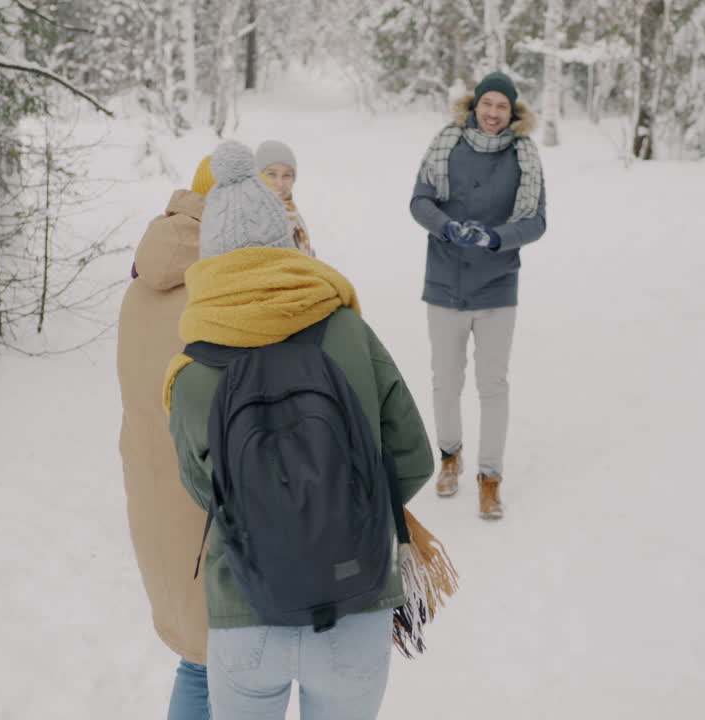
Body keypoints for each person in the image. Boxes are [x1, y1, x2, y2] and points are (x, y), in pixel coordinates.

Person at [164, 140, 433, 720]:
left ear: (209, 256)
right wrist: (338, 510)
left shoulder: (189, 367)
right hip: (357, 604)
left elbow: (203, 488)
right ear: (284, 239)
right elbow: (411, 457)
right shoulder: (347, 331)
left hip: (245, 611)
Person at [408, 71, 548, 521]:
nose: (492, 113)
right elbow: (419, 200)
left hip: (497, 285)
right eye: (486, 104)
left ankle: (491, 479)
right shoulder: (447, 143)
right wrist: (445, 227)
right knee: (446, 380)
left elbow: (537, 220)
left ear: (513, 113)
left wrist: (495, 238)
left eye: (501, 107)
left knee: (493, 384)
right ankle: (450, 456)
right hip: (445, 282)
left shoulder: (524, 156)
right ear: (474, 106)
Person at [116, 155, 216, 720]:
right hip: (203, 504)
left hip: (154, 493)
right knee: (215, 666)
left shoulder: (142, 280)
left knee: (196, 659)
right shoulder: (214, 290)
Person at [255, 139, 314, 256]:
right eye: (272, 174)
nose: (280, 183)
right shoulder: (252, 219)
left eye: (286, 175)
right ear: (257, 177)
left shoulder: (292, 212)